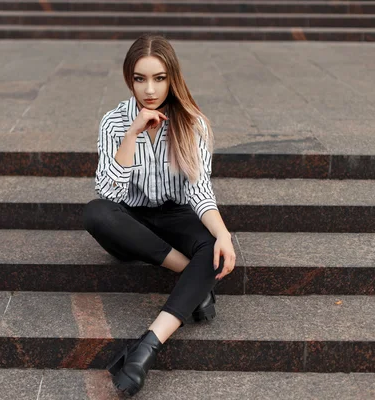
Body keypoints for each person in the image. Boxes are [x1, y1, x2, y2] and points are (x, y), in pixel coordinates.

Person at [82, 33, 236, 397]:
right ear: (128, 79)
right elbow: (109, 194)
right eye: (140, 78)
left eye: (159, 78)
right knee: (96, 214)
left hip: (175, 217)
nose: (149, 89)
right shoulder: (114, 121)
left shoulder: (191, 122)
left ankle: (145, 348)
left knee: (213, 245)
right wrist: (133, 133)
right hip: (129, 223)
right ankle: (195, 279)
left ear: (172, 78)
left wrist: (225, 235)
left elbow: (199, 191)